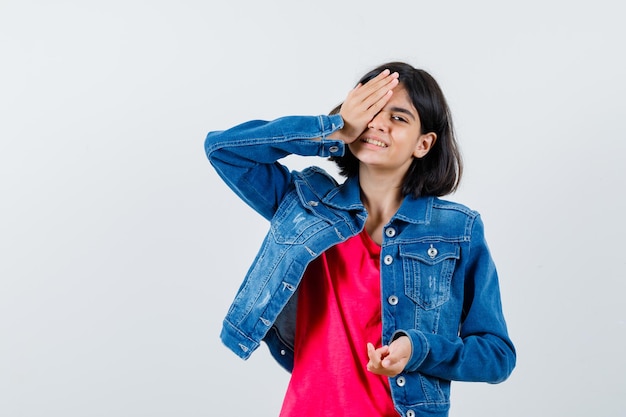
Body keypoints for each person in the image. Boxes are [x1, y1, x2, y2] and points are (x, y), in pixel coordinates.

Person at [204, 62, 516, 417]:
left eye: (398, 118)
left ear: (424, 144)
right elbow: (223, 150)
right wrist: (333, 131)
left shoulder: (457, 230)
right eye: (369, 109)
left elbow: (497, 355)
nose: (378, 123)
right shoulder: (305, 204)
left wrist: (419, 350)